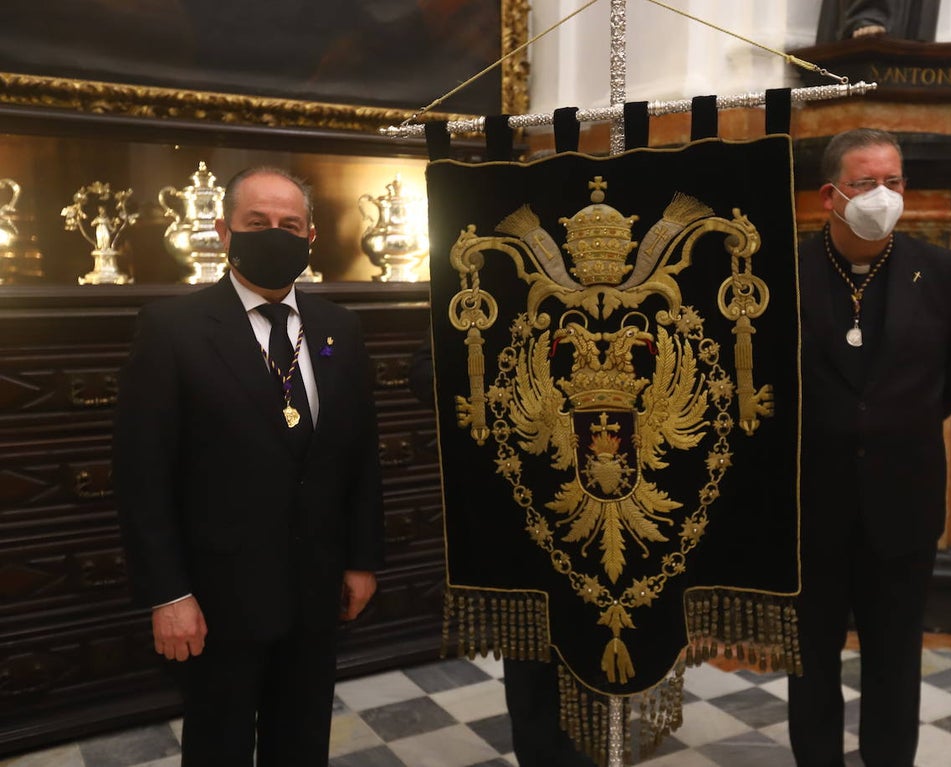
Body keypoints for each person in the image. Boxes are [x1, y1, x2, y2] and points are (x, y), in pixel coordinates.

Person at [114, 167, 383, 767]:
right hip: (216, 602)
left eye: (290, 225)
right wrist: (169, 594)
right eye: (257, 223)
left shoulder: (341, 329)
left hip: (314, 595)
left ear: (310, 238)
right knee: (220, 748)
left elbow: (360, 455)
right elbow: (143, 476)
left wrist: (363, 559)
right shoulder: (172, 330)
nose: (275, 234)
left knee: (303, 742)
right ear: (223, 230)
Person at [788, 128, 951, 766]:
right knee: (810, 661)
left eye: (893, 182)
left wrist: (892, 425)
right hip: (812, 505)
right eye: (866, 182)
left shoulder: (945, 272)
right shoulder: (786, 272)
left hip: (903, 501)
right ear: (830, 195)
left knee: (896, 662)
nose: (882, 195)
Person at [408, 335, 595, 767]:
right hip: (517, 514)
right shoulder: (480, 283)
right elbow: (424, 371)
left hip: (601, 505)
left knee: (600, 669)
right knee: (532, 674)